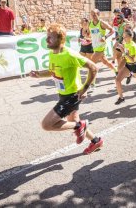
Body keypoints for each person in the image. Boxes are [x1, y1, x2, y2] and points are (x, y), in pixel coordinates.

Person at [29, 24, 103, 155]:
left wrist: (85, 88)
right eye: (47, 37)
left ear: (60, 39)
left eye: (50, 38)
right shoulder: (52, 53)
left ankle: (80, 126)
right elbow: (52, 71)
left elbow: (94, 68)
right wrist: (39, 74)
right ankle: (95, 141)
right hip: (63, 94)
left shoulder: (70, 55)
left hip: (72, 95)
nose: (46, 40)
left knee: (46, 124)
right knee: (72, 121)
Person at [89, 9, 117, 82]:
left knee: (91, 65)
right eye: (92, 15)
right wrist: (87, 37)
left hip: (101, 46)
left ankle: (92, 82)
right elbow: (91, 33)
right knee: (105, 62)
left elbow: (112, 30)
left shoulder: (102, 23)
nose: (93, 16)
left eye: (94, 14)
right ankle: (116, 70)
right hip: (95, 46)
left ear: (98, 14)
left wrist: (105, 37)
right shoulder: (90, 23)